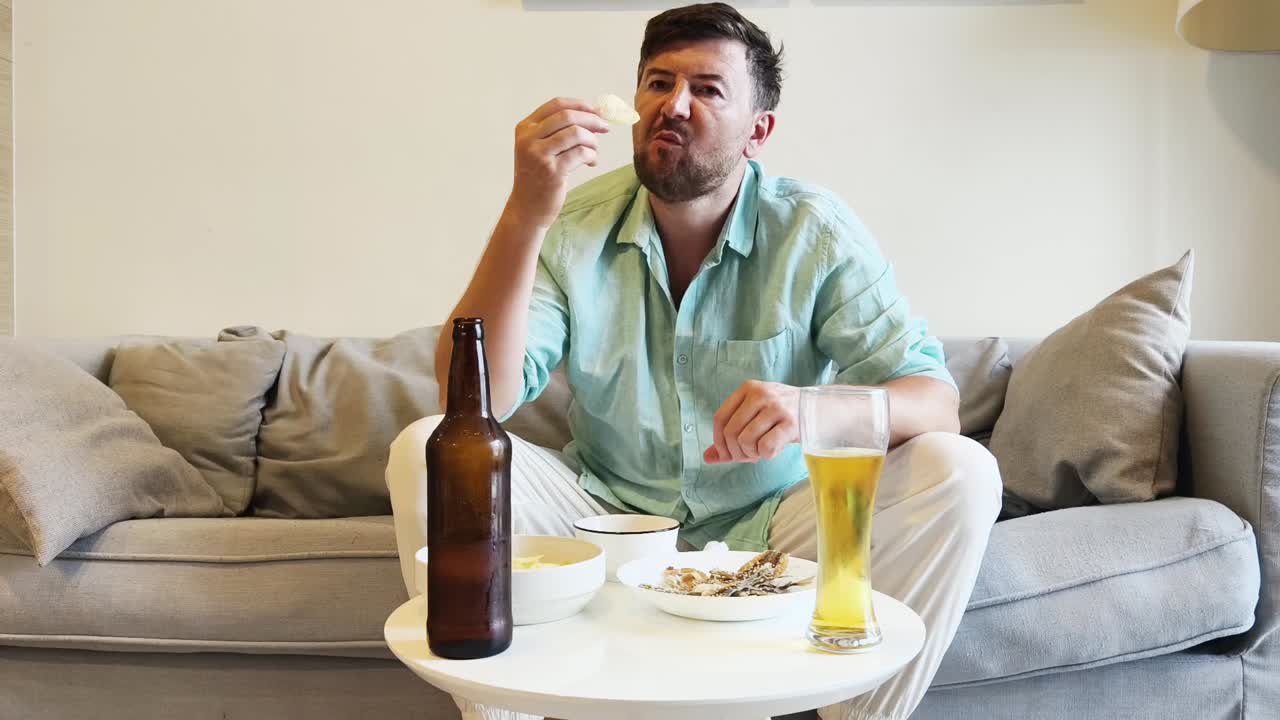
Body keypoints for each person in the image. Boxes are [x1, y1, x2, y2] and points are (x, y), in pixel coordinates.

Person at [387, 3, 1001, 719]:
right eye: (657, 82)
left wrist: (810, 409)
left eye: (707, 89)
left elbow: (937, 402)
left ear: (758, 131)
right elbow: (474, 402)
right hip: (605, 518)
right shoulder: (571, 224)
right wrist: (526, 211)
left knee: (960, 471)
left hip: (776, 520)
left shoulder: (816, 232)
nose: (673, 105)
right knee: (420, 449)